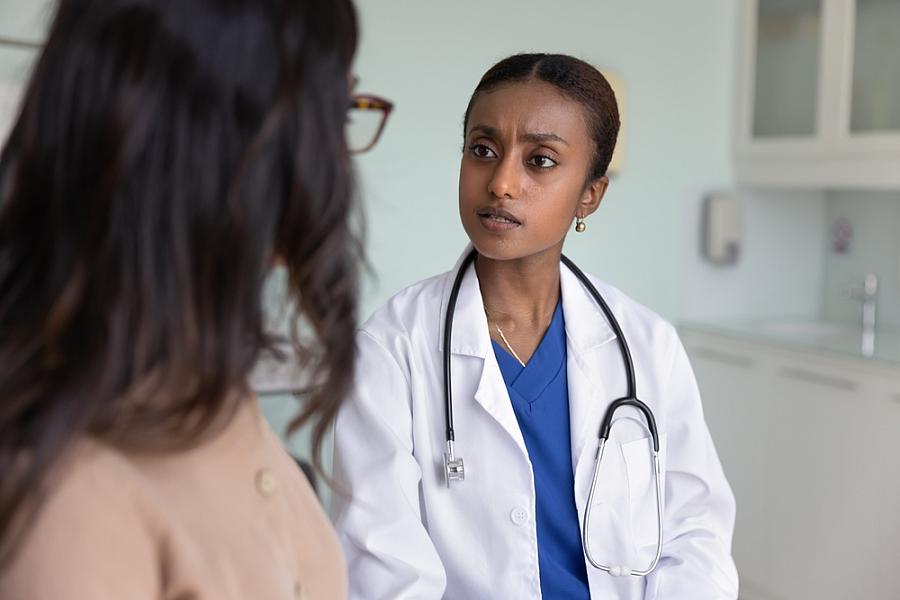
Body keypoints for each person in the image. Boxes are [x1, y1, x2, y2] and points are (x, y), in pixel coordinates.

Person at [0, 0, 389, 598]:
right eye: (333, 114)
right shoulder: (69, 495)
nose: (338, 162)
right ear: (218, 145)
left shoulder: (210, 390)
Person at [332, 53, 739, 599]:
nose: (501, 182)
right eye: (483, 150)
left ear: (590, 195)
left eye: (540, 160)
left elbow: (695, 535)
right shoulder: (392, 348)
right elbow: (383, 568)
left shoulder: (646, 345)